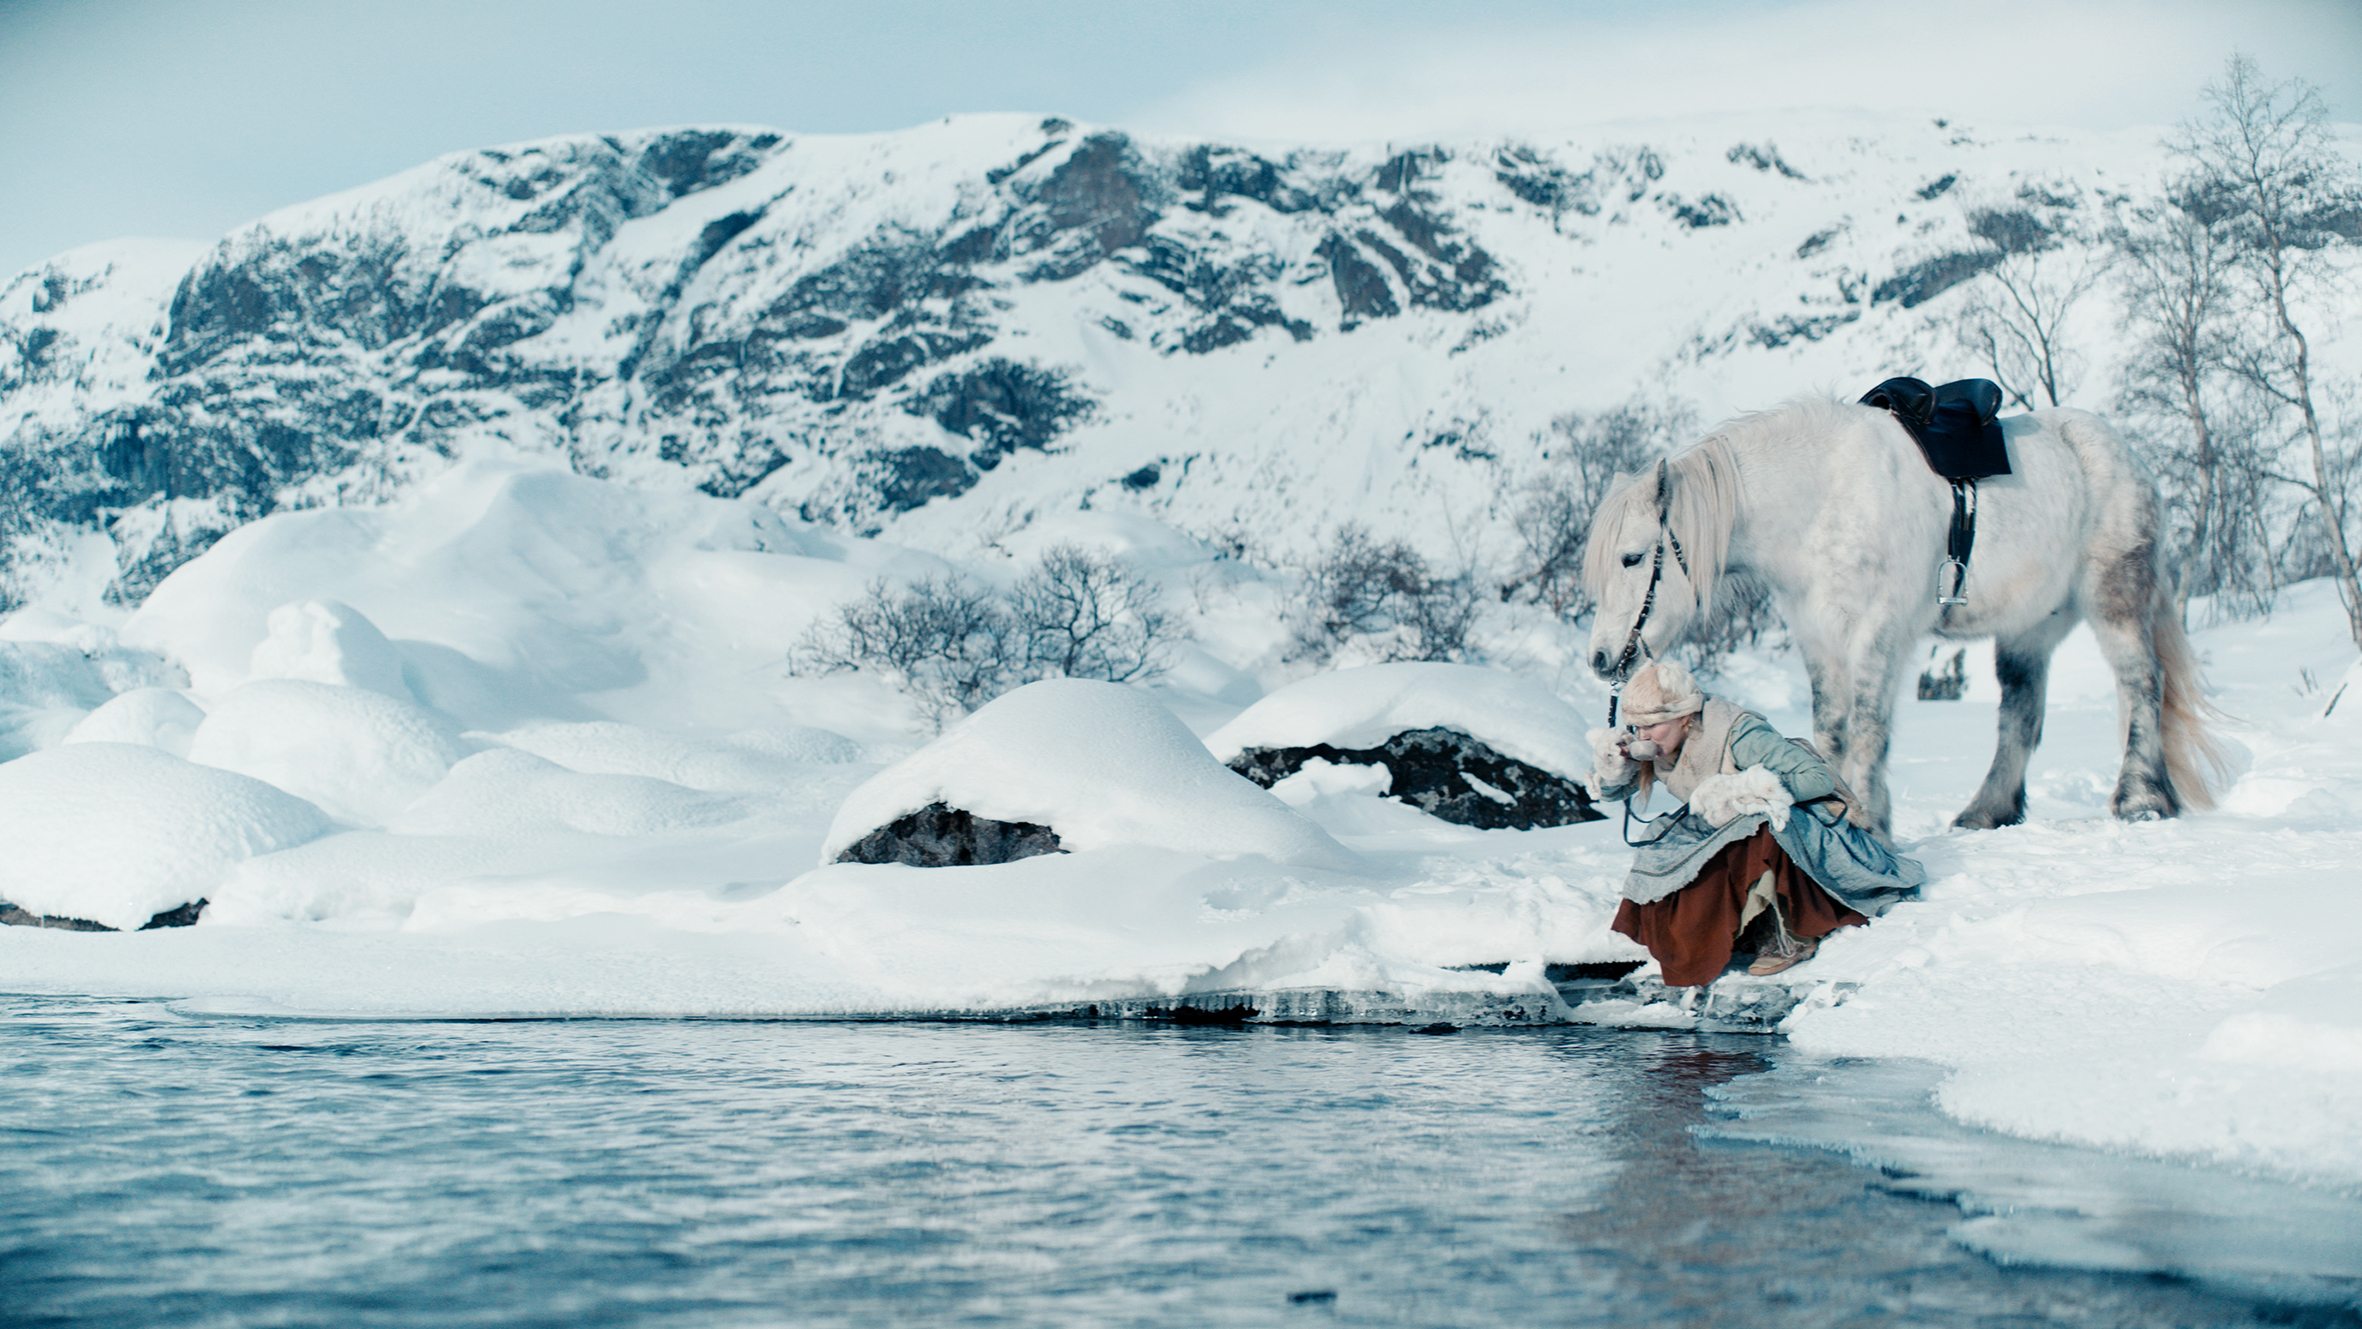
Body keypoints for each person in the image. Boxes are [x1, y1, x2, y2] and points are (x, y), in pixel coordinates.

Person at [1587, 660, 1924, 986]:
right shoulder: (1664, 745)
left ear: (1684, 717)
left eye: (1651, 727)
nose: (1643, 737)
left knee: (1760, 827)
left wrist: (1742, 790)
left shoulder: (1739, 733)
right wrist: (1615, 768)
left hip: (1800, 828)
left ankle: (1792, 930)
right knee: (1662, 838)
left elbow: (1817, 779)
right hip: (1727, 828)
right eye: (1637, 728)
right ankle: (1730, 928)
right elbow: (1614, 794)